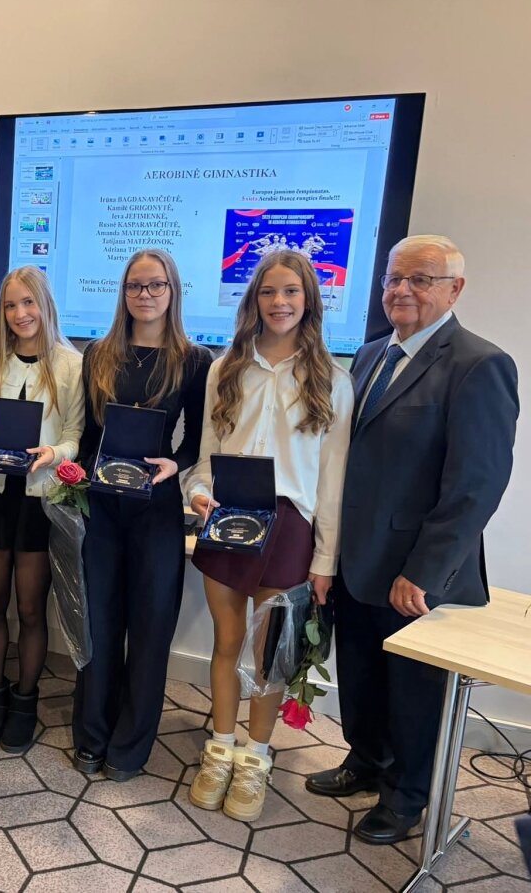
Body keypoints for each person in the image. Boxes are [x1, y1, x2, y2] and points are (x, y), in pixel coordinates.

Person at [304, 235, 517, 844]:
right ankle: (366, 760)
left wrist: (424, 570)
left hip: (413, 572)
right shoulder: (371, 354)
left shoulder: (479, 364)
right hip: (357, 558)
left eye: (420, 279)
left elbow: (475, 486)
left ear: (455, 289)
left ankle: (406, 798)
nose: (401, 290)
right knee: (362, 674)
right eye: (394, 278)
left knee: (414, 694)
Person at [184, 250, 353, 822]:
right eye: (268, 292)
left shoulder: (333, 379)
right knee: (226, 642)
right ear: (254, 300)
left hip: (290, 529)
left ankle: (256, 757)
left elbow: (331, 480)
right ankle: (219, 749)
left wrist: (325, 559)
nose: (279, 302)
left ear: (309, 300)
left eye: (291, 292)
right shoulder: (226, 368)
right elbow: (207, 455)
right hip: (228, 519)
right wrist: (198, 493)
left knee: (270, 656)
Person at [72, 249, 212, 780]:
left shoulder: (194, 360)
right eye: (135, 285)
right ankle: (92, 735)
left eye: (156, 285)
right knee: (99, 622)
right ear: (123, 292)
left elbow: (197, 440)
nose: (145, 295)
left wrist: (174, 464)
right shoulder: (98, 353)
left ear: (172, 291)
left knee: (150, 629)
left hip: (157, 509)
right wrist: (80, 474)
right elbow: (88, 435)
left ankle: (129, 747)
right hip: (102, 506)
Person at [0, 267, 82, 753]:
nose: (20, 313)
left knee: (31, 608)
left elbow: (76, 435)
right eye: (11, 305)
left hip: (39, 500)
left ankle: (26, 700)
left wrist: (54, 454)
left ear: (45, 305)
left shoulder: (71, 366)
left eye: (28, 303)